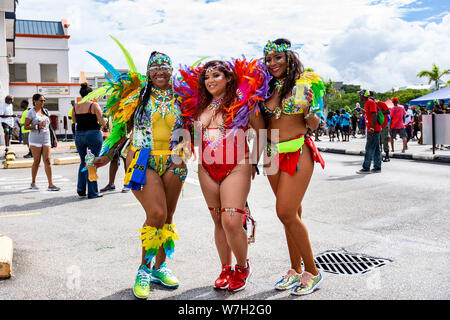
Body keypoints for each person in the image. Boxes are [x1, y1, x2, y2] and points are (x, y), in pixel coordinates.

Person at [88, 40, 191, 299]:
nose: (159, 72)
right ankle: (144, 269)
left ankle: (160, 266)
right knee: (155, 213)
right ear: (148, 72)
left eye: (164, 67)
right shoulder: (136, 97)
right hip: (143, 159)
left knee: (167, 217)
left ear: (171, 70)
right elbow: (120, 130)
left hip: (175, 160)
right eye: (154, 68)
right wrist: (106, 154)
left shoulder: (184, 96)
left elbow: (197, 124)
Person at [176, 58, 266, 292]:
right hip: (207, 168)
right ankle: (225, 268)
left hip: (237, 166)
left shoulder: (244, 102)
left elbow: (262, 131)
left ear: (228, 78)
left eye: (216, 75)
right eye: (206, 77)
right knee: (218, 221)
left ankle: (242, 266)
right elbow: (195, 140)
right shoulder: (199, 107)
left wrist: (256, 160)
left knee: (231, 220)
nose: (210, 80)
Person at [261, 38, 325, 296]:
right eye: (268, 59)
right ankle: (295, 270)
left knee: (285, 212)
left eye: (278, 57)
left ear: (289, 58)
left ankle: (313, 271)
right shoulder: (265, 86)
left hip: (297, 151)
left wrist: (309, 108)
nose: (272, 63)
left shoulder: (302, 85)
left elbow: (313, 124)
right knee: (291, 215)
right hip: (271, 154)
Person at [72, 82, 106, 199]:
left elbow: (74, 120)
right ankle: (92, 192)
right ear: (91, 94)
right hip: (93, 134)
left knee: (83, 161)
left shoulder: (76, 106)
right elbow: (102, 122)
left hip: (79, 134)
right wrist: (104, 122)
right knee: (91, 162)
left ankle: (81, 188)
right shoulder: (94, 105)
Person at [23, 94, 60, 191]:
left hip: (46, 139)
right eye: (41, 100)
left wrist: (54, 138)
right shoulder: (31, 112)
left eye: (44, 100)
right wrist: (37, 126)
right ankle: (33, 182)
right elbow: (26, 126)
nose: (43, 102)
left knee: (47, 160)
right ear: (35, 101)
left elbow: (49, 126)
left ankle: (51, 185)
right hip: (35, 140)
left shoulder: (46, 111)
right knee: (37, 161)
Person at [356, 89, 382, 174]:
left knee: (369, 148)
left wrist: (371, 128)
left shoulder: (370, 102)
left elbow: (375, 115)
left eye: (360, 94)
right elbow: (369, 114)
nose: (359, 96)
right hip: (374, 129)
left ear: (364, 95)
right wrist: (362, 111)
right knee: (377, 149)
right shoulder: (367, 103)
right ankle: (377, 167)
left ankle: (366, 168)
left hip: (373, 129)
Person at [371, 93, 390, 162]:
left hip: (384, 125)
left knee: (385, 140)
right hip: (376, 126)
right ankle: (379, 155)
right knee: (378, 141)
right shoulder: (371, 106)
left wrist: (379, 112)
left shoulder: (381, 103)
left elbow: (388, 111)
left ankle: (387, 155)